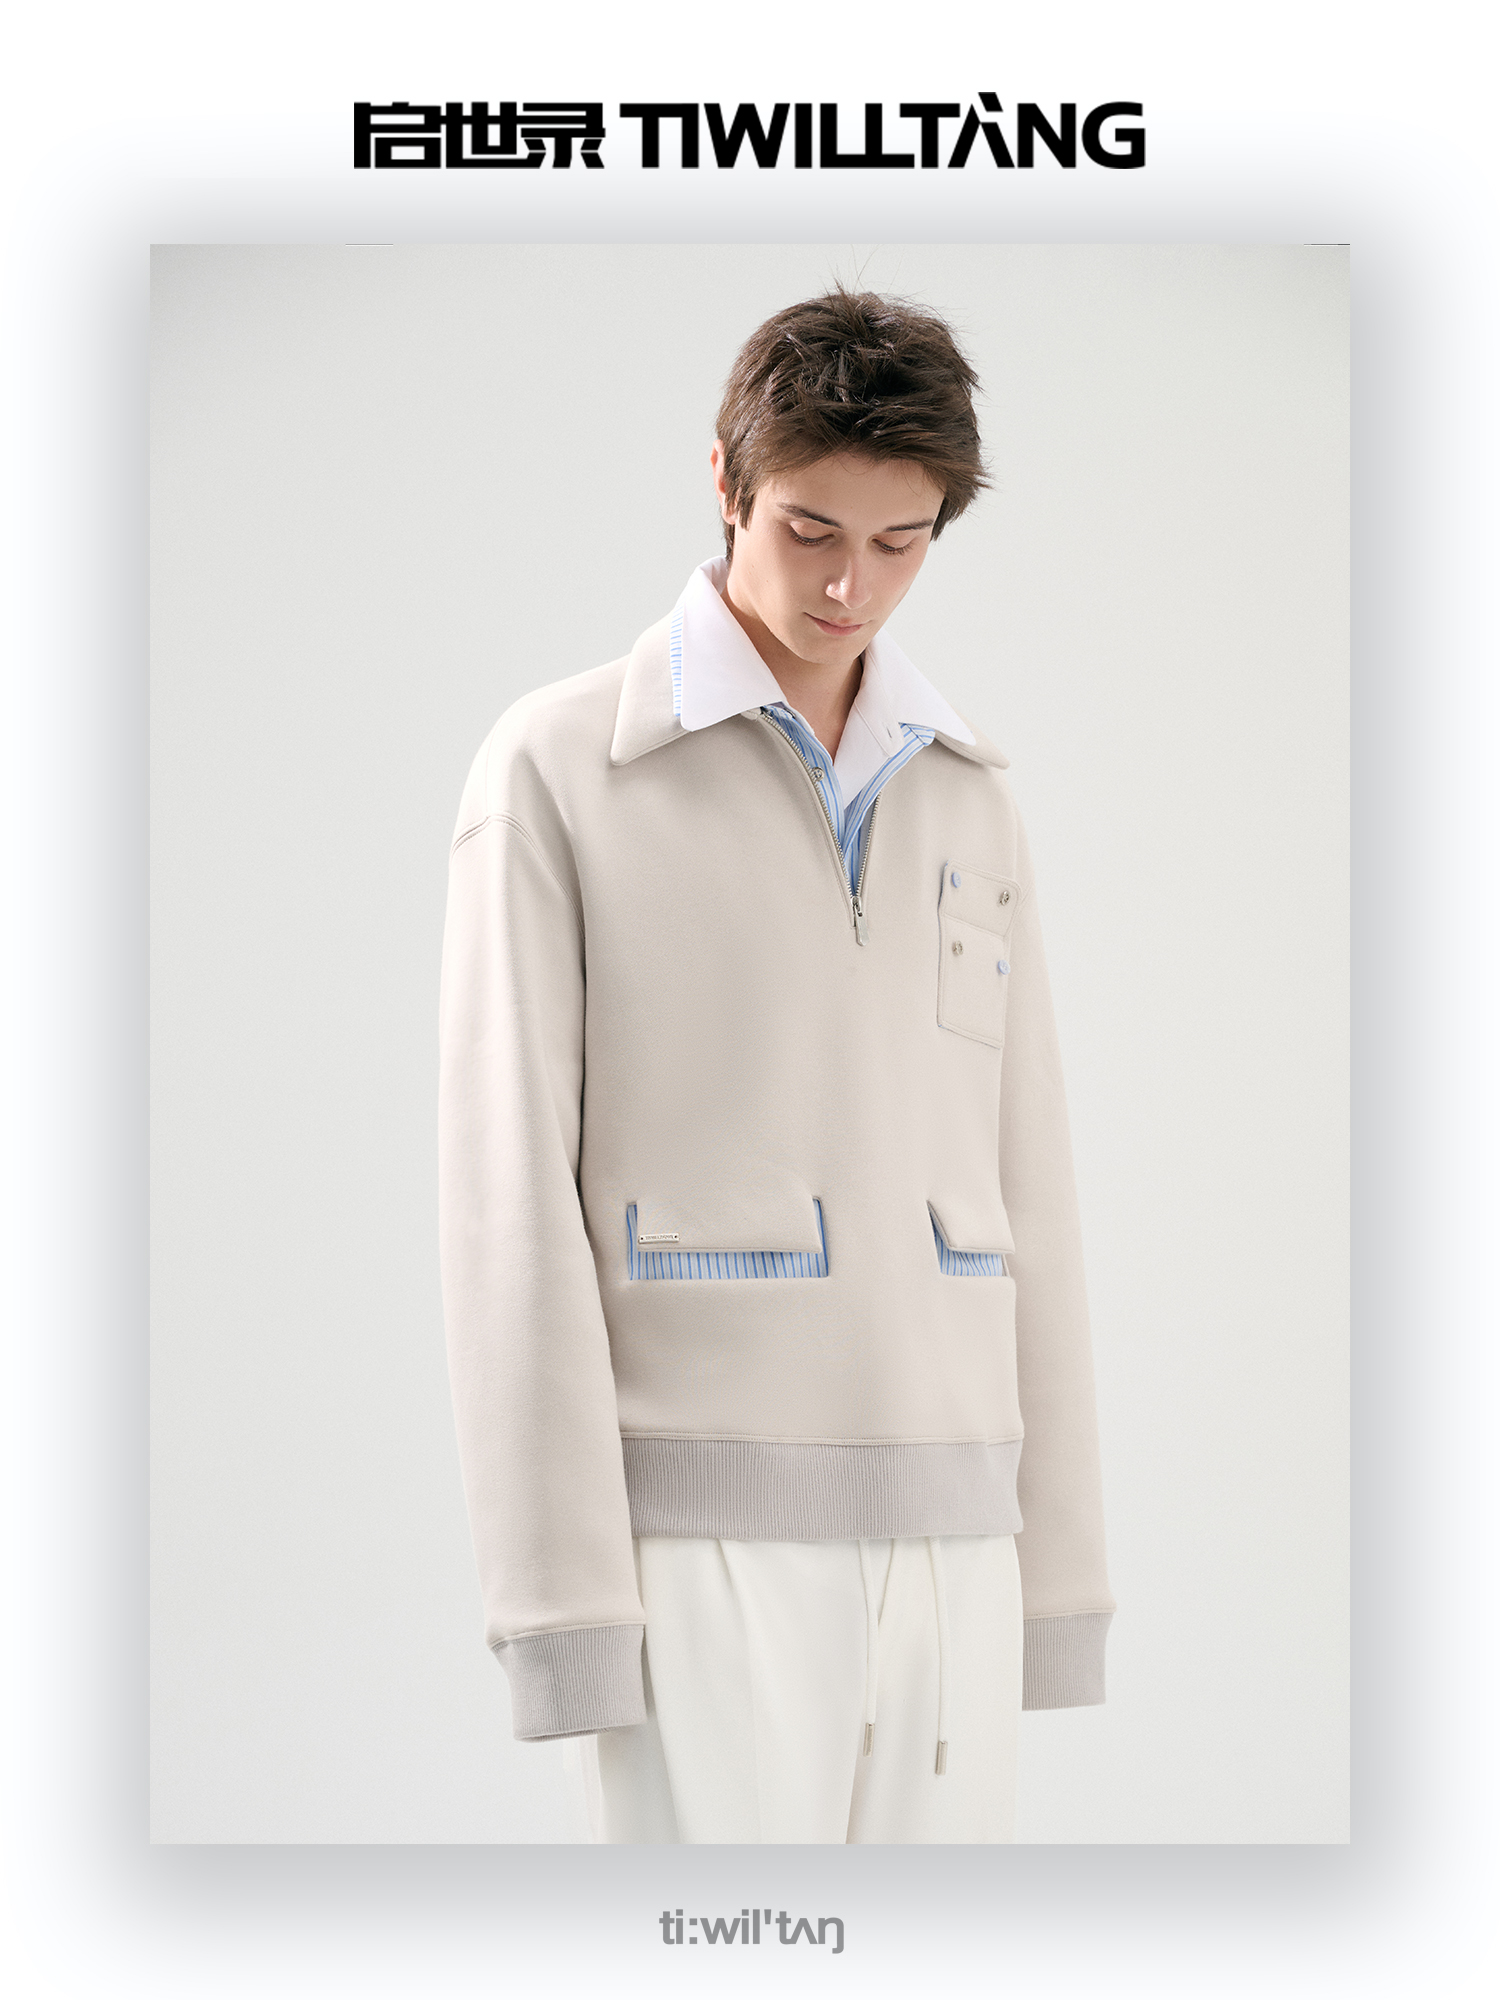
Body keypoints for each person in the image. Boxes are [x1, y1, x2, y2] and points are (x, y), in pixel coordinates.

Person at [437, 286, 1114, 1844]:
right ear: (728, 483)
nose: (850, 586)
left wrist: (1057, 1581)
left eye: (900, 542)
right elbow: (505, 1200)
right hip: (699, 1538)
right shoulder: (560, 770)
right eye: (811, 530)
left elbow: (1029, 1179)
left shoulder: (970, 795)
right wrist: (561, 1609)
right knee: (720, 1949)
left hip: (960, 1538)